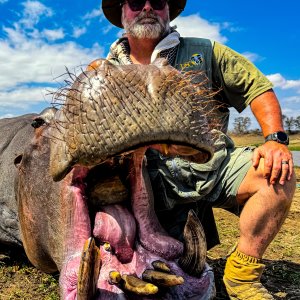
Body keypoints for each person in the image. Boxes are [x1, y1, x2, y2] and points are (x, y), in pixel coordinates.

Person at [100, 0, 296, 299]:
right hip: (149, 183)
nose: (148, 8)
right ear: (123, 11)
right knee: (153, 248)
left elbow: (256, 88)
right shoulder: (105, 71)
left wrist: (275, 140)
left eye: (159, 1)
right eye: (137, 1)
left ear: (169, 10)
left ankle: (242, 275)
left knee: (275, 174)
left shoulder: (205, 51)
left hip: (214, 163)